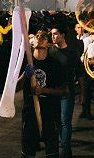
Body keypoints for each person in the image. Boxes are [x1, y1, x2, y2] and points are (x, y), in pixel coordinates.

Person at [19, 30, 68, 158]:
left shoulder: (55, 64)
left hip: (50, 114)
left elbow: (64, 90)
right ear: (33, 42)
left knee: (52, 153)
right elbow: (13, 87)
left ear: (48, 44)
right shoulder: (25, 62)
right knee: (28, 153)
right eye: (37, 36)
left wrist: (44, 90)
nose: (40, 38)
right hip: (30, 114)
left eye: (44, 37)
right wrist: (25, 75)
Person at [50, 26, 83, 158]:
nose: (53, 37)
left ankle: (64, 150)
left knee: (65, 121)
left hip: (67, 92)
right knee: (58, 121)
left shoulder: (72, 52)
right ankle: (66, 151)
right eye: (51, 34)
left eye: (56, 34)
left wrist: (82, 93)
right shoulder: (50, 51)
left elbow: (80, 73)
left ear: (63, 35)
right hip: (53, 91)